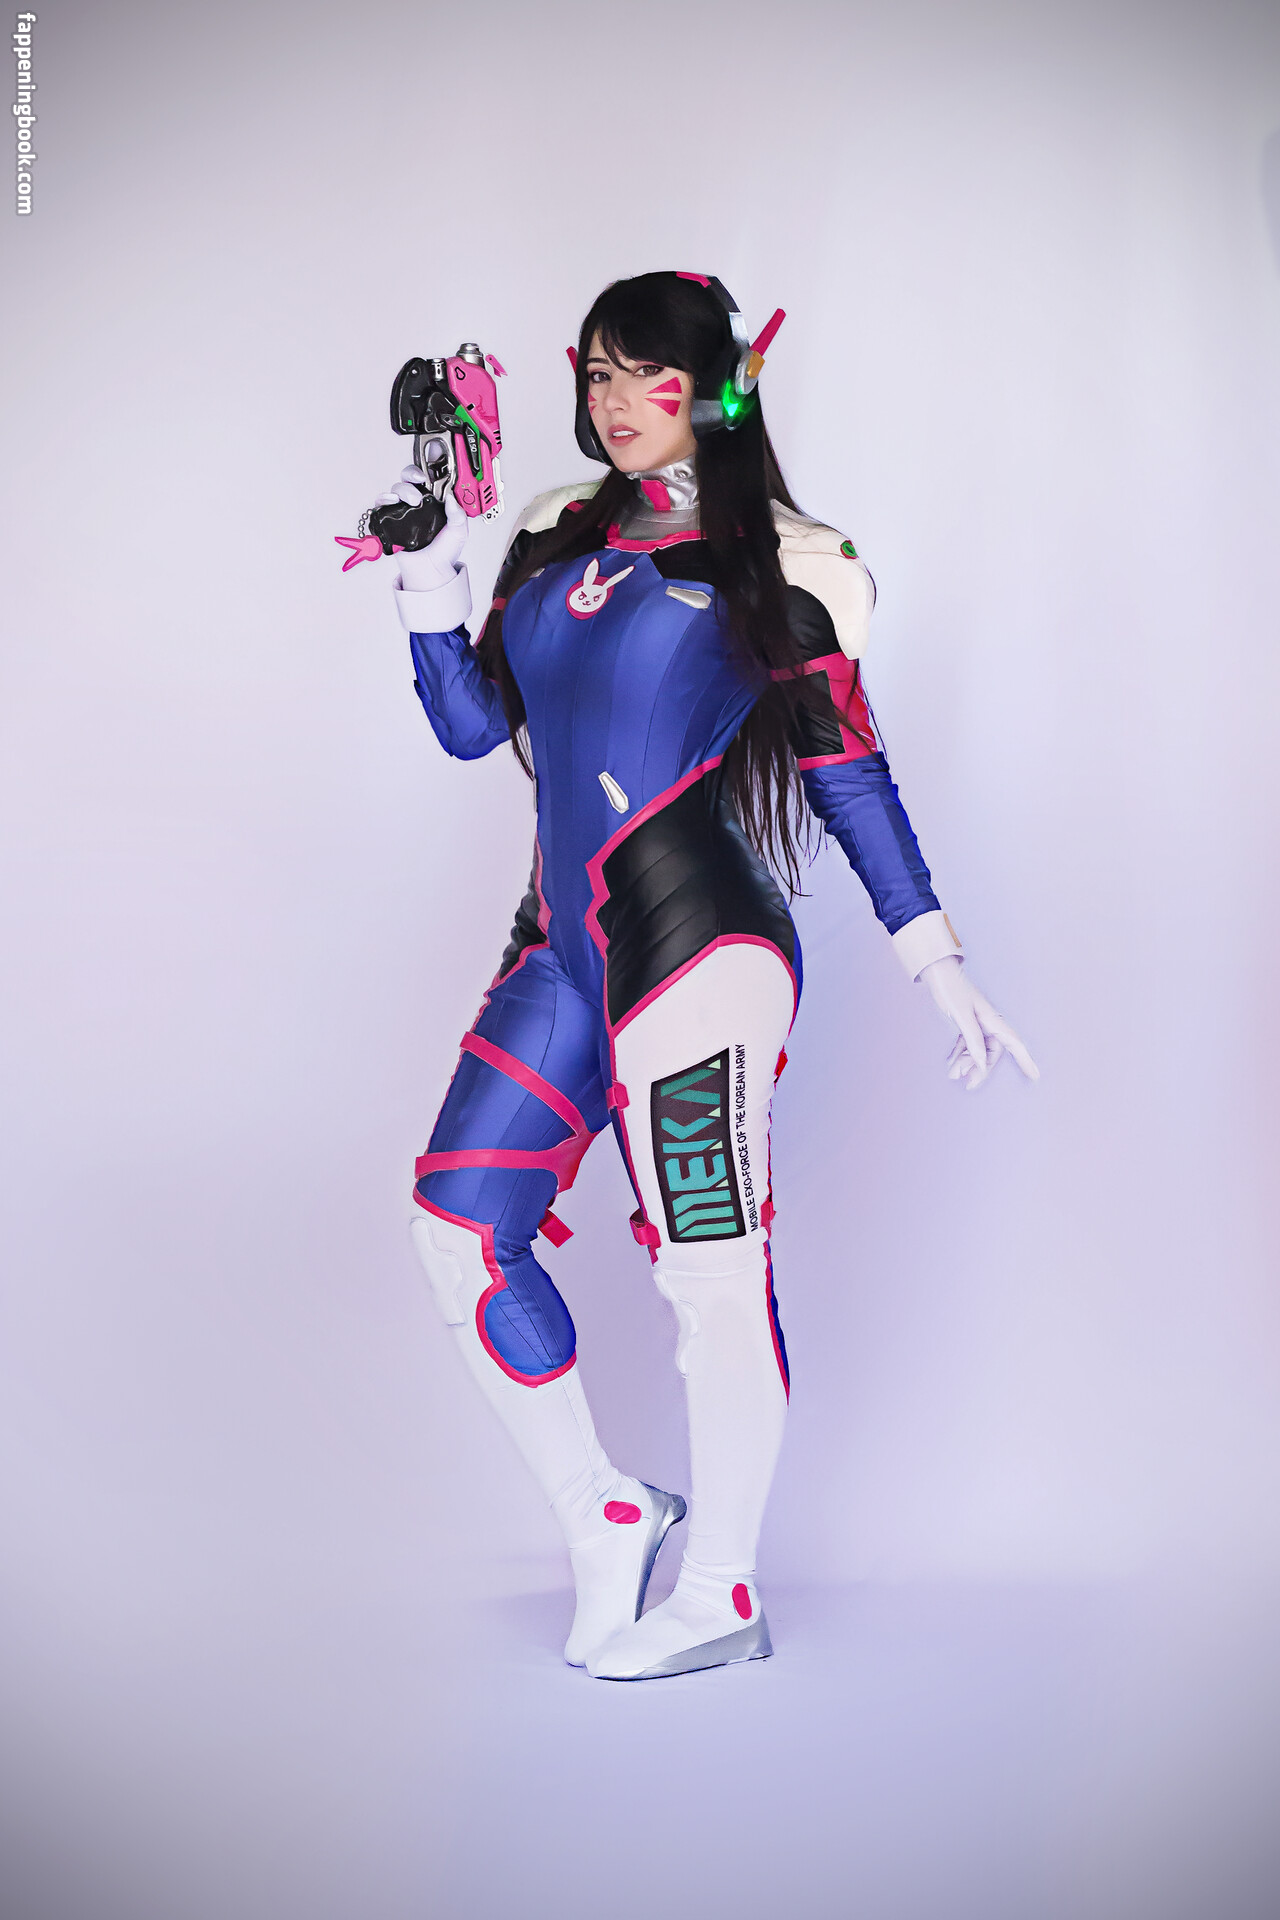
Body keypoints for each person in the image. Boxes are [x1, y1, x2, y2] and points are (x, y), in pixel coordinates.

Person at [375, 272, 1037, 1682]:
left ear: (720, 387)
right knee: (458, 1225)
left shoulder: (785, 559)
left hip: (699, 952)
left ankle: (723, 1589)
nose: (616, 401)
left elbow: (848, 775)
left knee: (712, 1275)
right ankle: (606, 1513)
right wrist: (433, 572)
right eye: (599, 374)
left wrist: (939, 962)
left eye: (648, 374)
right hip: (561, 943)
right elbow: (469, 727)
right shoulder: (552, 531)